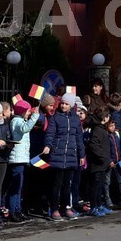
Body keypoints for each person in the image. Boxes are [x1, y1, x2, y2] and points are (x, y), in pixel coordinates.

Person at [42, 92, 84, 220]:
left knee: (68, 184)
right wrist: (48, 145)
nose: (64, 106)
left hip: (71, 155)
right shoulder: (55, 118)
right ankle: (54, 209)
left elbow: (79, 138)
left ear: (71, 105)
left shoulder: (75, 119)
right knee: (56, 184)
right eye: (62, 103)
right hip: (57, 155)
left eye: (66, 104)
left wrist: (81, 155)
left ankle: (66, 207)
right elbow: (50, 134)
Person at [6, 99, 39, 223]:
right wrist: (35, 116)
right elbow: (26, 128)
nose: (29, 114)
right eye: (28, 111)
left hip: (22, 158)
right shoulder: (17, 121)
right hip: (17, 159)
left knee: (19, 186)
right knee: (15, 187)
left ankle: (18, 210)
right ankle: (13, 211)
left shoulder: (20, 120)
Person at [85, 107, 112, 217]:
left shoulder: (101, 129)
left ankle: (99, 204)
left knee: (100, 185)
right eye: (108, 116)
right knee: (95, 186)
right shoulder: (97, 129)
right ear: (104, 118)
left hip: (102, 164)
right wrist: (103, 157)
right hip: (97, 163)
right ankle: (93, 207)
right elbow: (93, 145)